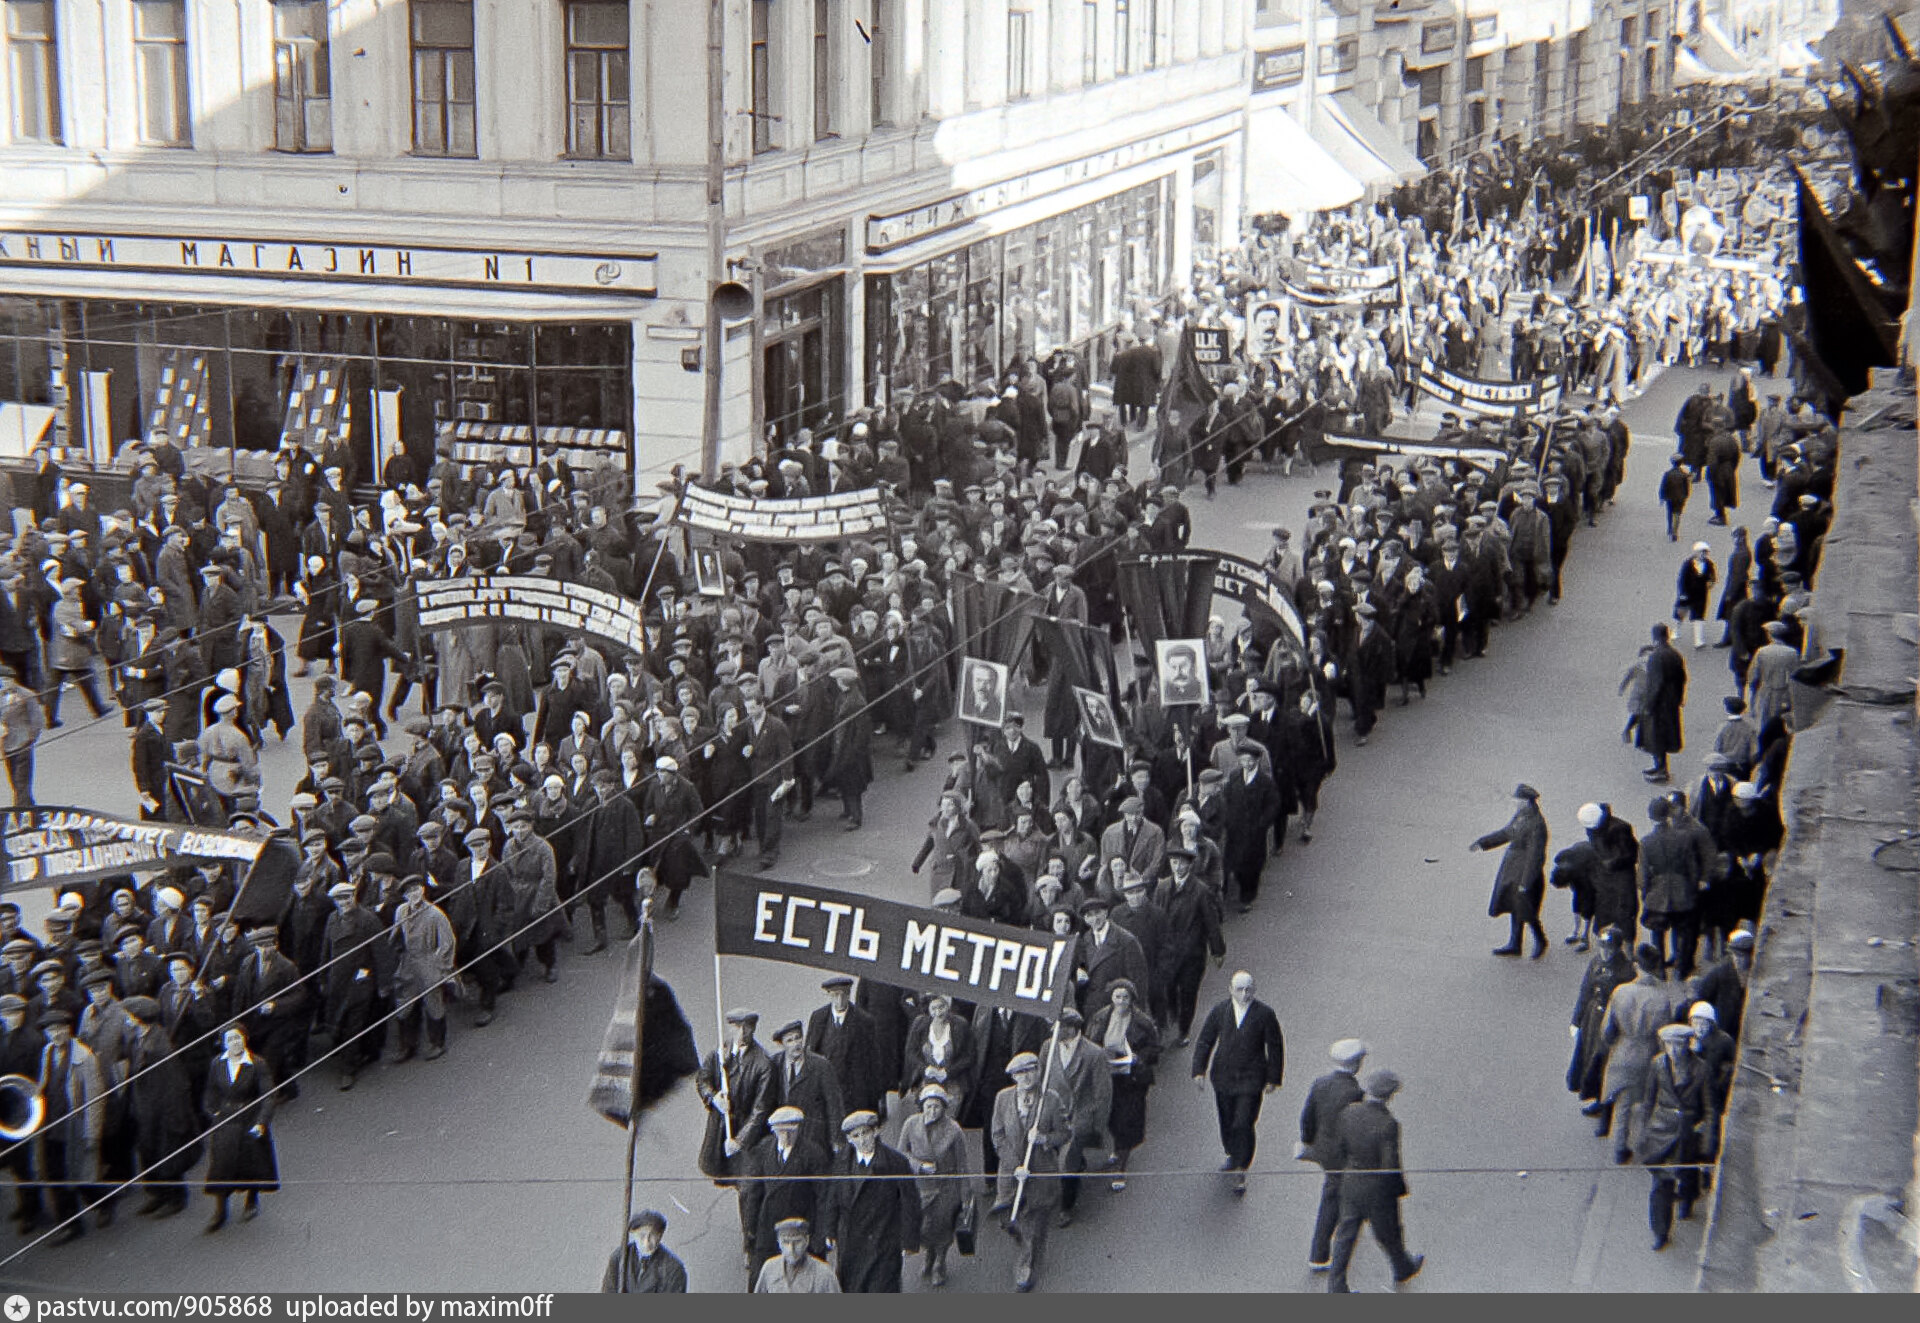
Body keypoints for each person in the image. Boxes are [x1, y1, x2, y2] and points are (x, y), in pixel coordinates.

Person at [1325, 1069, 1425, 1292]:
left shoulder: (1348, 1113)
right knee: (1389, 1233)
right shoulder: (1387, 1124)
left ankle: (1336, 1285)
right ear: (1389, 1095)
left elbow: (1339, 1148)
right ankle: (1403, 1267)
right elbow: (1390, 1165)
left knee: (1345, 1234)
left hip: (1351, 1180)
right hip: (1377, 1189)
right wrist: (1398, 1189)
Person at [1190, 969, 1285, 1194]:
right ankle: (1232, 1153)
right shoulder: (1220, 1011)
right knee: (1227, 1120)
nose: (1244, 994)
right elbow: (1205, 1040)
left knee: (1243, 1122)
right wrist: (1199, 1070)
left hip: (1251, 1080)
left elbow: (1275, 1046)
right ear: (1231, 990)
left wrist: (1273, 1078)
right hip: (1223, 1076)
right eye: (1240, 989)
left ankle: (1242, 1166)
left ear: (1254, 990)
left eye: (1248, 989)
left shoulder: (1264, 1014)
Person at [988, 1051, 1071, 1292]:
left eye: (1031, 1070)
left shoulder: (1051, 1099)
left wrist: (1045, 1138)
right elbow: (998, 1136)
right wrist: (1015, 1166)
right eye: (1020, 1073)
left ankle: (1026, 1264)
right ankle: (1023, 1241)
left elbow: (1066, 1133)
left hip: (1042, 1172)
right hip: (1011, 1174)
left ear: (1038, 1071)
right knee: (1008, 1219)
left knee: (1035, 1225)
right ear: (1013, 1077)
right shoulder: (1002, 1098)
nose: (1026, 1077)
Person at [822, 1109, 921, 1292]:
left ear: (875, 1132)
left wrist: (908, 1240)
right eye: (856, 1135)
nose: (862, 1140)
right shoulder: (841, 1161)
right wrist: (829, 1230)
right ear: (849, 1139)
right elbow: (832, 1197)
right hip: (850, 1241)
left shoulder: (896, 1162)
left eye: (866, 1133)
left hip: (883, 1241)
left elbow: (910, 1203)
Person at [1598, 943, 1679, 1160]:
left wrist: (1611, 1044)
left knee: (1623, 1103)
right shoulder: (1661, 999)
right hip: (1647, 1053)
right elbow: (1664, 1035)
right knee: (1645, 1102)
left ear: (1637, 966)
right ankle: (1644, 1146)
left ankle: (1619, 1147)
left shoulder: (1621, 992)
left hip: (1623, 1049)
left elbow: (1607, 1030)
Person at [737, 1105, 831, 1291]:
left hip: (801, 1231)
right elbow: (753, 1194)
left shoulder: (813, 1153)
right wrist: (750, 1234)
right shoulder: (763, 1150)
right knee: (761, 1281)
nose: (786, 1137)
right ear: (773, 1131)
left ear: (799, 1129)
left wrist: (821, 1235)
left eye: (791, 1131)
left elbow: (824, 1197)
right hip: (768, 1231)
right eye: (781, 1131)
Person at [1297, 1037, 1368, 1271]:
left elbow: (1307, 1116)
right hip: (1342, 1155)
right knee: (1332, 1200)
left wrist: (1308, 1142)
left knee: (1335, 1191)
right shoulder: (1353, 1091)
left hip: (1324, 1150)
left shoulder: (1320, 1083)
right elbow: (1353, 1127)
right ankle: (1318, 1254)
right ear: (1355, 1064)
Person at [897, 1082, 978, 1288]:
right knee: (923, 1228)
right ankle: (928, 1255)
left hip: (945, 1188)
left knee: (942, 1228)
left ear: (944, 1108)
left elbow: (962, 1163)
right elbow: (900, 1154)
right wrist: (919, 1166)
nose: (932, 1110)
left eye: (937, 1106)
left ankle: (940, 1262)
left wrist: (965, 1195)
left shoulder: (954, 1130)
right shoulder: (911, 1124)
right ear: (921, 1106)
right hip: (920, 1187)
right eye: (928, 1106)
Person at [201, 1022, 279, 1233]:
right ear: (223, 1043)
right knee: (221, 1165)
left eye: (238, 1038)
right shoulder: (217, 1063)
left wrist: (261, 1122)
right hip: (225, 1120)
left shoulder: (257, 1064)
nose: (235, 1043)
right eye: (230, 1040)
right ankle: (220, 1210)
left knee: (252, 1162)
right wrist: (212, 1111)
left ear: (244, 1039)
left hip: (249, 1119)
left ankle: (251, 1200)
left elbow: (268, 1095)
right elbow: (211, 1091)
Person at [1638, 1023, 1707, 1251]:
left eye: (1678, 1045)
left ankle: (1687, 1199)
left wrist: (1710, 1137)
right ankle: (1660, 1231)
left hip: (1688, 1131)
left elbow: (1711, 1108)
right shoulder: (1658, 1064)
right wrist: (1643, 1131)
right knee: (1661, 1183)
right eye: (1669, 1045)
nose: (1673, 1050)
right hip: (1661, 1131)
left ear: (1687, 1045)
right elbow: (1649, 1099)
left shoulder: (1701, 1068)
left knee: (1687, 1173)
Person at [1085, 978, 1159, 1191]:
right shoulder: (1100, 1018)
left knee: (1127, 1120)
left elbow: (1154, 1048)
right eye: (1118, 997)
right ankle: (1118, 1148)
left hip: (1131, 1079)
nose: (1121, 1001)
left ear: (1132, 999)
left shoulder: (1142, 1022)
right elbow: (1091, 1042)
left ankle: (1121, 1167)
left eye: (1125, 997)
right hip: (1108, 1076)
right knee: (1111, 1117)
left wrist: (1139, 1058)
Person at [1472, 783, 1550, 959]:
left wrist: (1526, 881)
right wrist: (1484, 842)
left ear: (1527, 801)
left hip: (1524, 871)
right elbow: (1507, 833)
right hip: (1512, 868)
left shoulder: (1536, 824)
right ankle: (1515, 943)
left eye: (1519, 800)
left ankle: (1540, 939)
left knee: (1526, 908)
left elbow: (1535, 854)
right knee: (1515, 905)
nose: (1516, 803)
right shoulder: (1522, 816)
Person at [1638, 623, 1687, 783]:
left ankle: (1661, 769)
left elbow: (1656, 683)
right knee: (1666, 735)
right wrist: (1680, 697)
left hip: (1660, 703)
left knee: (1656, 736)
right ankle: (1661, 766)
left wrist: (1649, 705)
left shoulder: (1655, 657)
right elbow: (1682, 678)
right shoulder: (1675, 654)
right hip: (1671, 700)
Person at [601, 1209, 689, 1292]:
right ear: (632, 1233)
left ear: (660, 1235)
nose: (646, 1243)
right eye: (641, 1236)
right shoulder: (619, 1258)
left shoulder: (673, 1269)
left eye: (653, 1235)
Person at [753, 1216, 840, 1293]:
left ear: (806, 1240)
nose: (791, 1249)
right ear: (778, 1243)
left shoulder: (824, 1274)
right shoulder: (770, 1269)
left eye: (797, 1242)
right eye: (786, 1242)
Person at [0, 666, 45, 806]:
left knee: (21, 783)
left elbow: (37, 719)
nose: (3, 682)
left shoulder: (27, 695)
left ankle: (21, 816)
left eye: (6, 679)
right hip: (6, 745)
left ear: (13, 680)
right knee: (15, 781)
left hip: (23, 744)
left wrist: (31, 738)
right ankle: (32, 813)